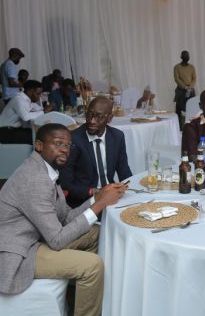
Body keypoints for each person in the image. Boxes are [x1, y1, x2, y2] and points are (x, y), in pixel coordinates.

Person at [0, 123, 127, 316]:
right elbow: (57, 240)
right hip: (20, 252)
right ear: (39, 145)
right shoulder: (35, 179)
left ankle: (83, 293)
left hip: (38, 238)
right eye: (58, 143)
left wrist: (98, 197)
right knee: (92, 266)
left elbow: (65, 216)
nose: (64, 150)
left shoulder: (47, 170)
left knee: (97, 233)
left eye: (68, 145)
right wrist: (100, 205)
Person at [60, 97, 132, 208]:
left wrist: (129, 187)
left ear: (109, 118)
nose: (92, 121)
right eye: (89, 115)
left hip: (111, 196)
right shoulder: (73, 139)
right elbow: (65, 183)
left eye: (99, 117)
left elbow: (124, 172)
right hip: (84, 200)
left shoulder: (117, 137)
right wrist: (95, 192)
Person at [0, 79, 51, 144]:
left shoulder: (27, 100)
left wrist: (46, 109)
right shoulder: (18, 99)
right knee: (38, 137)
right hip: (5, 131)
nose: (39, 97)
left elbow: (39, 109)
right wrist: (43, 112)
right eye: (38, 94)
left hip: (15, 129)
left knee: (40, 133)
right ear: (30, 91)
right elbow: (25, 117)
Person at [173, 50, 196, 129]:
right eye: (184, 55)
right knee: (179, 109)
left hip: (191, 91)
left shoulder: (191, 67)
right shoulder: (177, 67)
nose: (186, 57)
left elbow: (194, 78)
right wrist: (185, 87)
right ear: (181, 57)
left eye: (187, 55)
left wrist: (190, 87)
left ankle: (192, 127)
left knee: (192, 109)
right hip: (180, 91)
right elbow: (177, 79)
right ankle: (179, 127)